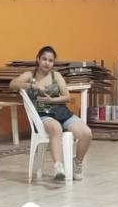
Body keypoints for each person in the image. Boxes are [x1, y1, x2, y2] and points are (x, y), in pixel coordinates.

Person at [10, 45, 92, 181]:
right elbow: (13, 84)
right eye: (44, 59)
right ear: (38, 59)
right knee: (56, 128)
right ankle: (58, 167)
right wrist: (33, 86)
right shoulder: (30, 75)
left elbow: (67, 97)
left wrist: (52, 99)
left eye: (50, 60)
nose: (47, 63)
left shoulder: (56, 75)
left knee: (86, 133)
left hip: (60, 111)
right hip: (42, 114)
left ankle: (77, 162)